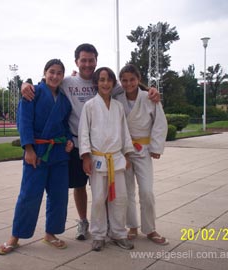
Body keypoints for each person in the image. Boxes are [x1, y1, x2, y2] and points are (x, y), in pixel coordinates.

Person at [21, 43, 161, 241]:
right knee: (80, 187)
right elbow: (48, 82)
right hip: (77, 144)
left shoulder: (104, 82)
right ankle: (84, 222)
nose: (87, 64)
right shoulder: (67, 81)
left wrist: (151, 90)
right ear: (76, 62)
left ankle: (108, 224)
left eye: (91, 60)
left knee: (105, 189)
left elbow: (131, 86)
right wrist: (25, 85)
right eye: (83, 60)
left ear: (96, 61)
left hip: (105, 148)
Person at [0, 59, 74, 255]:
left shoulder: (64, 101)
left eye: (59, 73)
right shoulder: (33, 93)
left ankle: (51, 234)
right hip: (37, 153)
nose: (55, 76)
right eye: (52, 72)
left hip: (59, 154)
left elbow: (66, 126)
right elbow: (24, 121)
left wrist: (69, 139)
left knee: (59, 197)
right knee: (29, 195)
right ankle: (15, 236)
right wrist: (28, 149)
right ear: (45, 72)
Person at [78, 67, 134, 251]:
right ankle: (98, 234)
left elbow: (125, 132)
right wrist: (86, 157)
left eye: (109, 79)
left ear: (113, 83)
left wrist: (127, 154)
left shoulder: (118, 107)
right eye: (101, 79)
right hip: (98, 159)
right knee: (98, 199)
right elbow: (83, 133)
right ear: (96, 83)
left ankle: (118, 233)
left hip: (116, 159)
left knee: (120, 198)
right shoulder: (90, 106)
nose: (105, 83)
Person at [115, 64, 169, 245]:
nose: (128, 83)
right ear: (120, 81)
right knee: (127, 191)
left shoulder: (149, 97)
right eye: (124, 80)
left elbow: (160, 123)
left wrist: (156, 147)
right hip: (124, 151)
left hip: (143, 149)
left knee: (146, 191)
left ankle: (150, 229)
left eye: (132, 79)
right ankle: (132, 226)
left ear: (138, 79)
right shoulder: (117, 98)